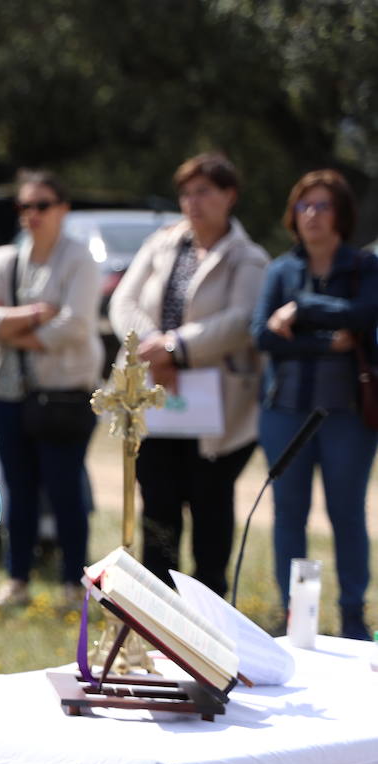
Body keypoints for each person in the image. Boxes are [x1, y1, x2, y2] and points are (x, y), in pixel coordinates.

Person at [109, 153, 268, 595]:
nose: (192, 202)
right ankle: (157, 610)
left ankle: (209, 608)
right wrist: (155, 348)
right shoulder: (162, 243)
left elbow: (241, 320)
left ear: (230, 196)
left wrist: (179, 349)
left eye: (204, 191)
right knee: (157, 506)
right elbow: (123, 302)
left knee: (210, 507)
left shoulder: (247, 257)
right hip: (153, 398)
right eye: (186, 192)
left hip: (218, 413)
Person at [252, 170, 378, 640]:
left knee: (347, 513)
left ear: (341, 214)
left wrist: (301, 311)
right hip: (284, 411)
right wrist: (328, 344)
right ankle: (292, 617)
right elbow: (262, 334)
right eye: (304, 206)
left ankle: (351, 618)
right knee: (288, 512)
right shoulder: (279, 270)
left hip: (348, 414)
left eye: (322, 205)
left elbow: (366, 313)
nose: (312, 215)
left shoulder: (363, 267)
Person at [0, 171, 102, 609]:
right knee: (17, 491)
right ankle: (17, 579)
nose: (32, 215)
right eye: (24, 207)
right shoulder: (6, 258)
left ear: (63, 208)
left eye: (42, 205)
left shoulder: (80, 259)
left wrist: (11, 328)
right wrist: (33, 315)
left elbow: (76, 325)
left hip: (63, 392)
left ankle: (72, 585)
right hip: (9, 392)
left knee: (66, 490)